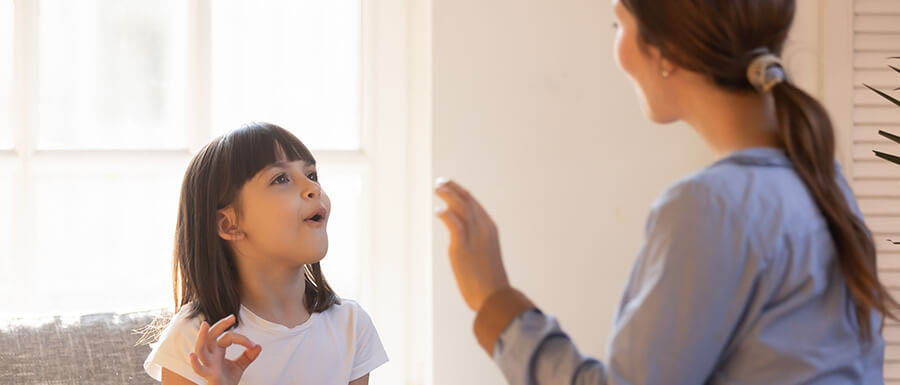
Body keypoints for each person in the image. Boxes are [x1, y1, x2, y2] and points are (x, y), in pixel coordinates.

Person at [434, 0, 898, 383]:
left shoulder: (710, 208)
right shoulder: (821, 181)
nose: (618, 51)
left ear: (666, 52)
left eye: (619, 24)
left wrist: (494, 302)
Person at [142, 122, 388, 385]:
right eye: (281, 178)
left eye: (312, 175)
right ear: (229, 224)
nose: (313, 188)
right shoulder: (195, 339)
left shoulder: (351, 325)